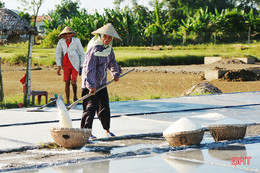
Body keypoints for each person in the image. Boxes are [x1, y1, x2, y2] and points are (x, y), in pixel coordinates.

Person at [81, 23, 122, 139]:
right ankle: (86, 132)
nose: (107, 39)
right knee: (90, 108)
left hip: (102, 83)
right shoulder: (93, 49)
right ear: (100, 36)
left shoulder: (109, 49)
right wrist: (91, 85)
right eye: (105, 36)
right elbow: (89, 68)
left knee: (104, 107)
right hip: (90, 84)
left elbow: (112, 62)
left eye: (109, 37)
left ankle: (107, 130)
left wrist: (115, 73)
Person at [56, 26, 85, 104]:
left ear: (72, 34)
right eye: (66, 34)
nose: (67, 35)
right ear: (63, 35)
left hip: (75, 63)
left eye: (69, 34)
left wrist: (82, 65)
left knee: (73, 82)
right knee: (67, 82)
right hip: (65, 64)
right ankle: (68, 100)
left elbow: (82, 53)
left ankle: (75, 96)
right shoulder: (61, 42)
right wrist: (59, 67)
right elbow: (58, 54)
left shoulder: (76, 41)